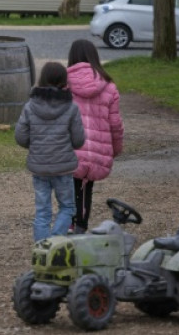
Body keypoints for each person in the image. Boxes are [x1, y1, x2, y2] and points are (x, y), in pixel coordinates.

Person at [15, 61, 85, 242]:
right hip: (63, 168)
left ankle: (41, 247)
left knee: (43, 211)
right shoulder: (71, 107)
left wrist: (36, 146)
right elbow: (78, 140)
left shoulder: (30, 105)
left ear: (42, 79)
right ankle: (55, 241)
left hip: (39, 168)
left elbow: (21, 137)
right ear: (64, 81)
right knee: (68, 207)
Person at [67, 39, 124, 233]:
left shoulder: (64, 84)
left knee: (68, 186)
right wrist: (115, 149)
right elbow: (115, 123)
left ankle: (69, 224)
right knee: (85, 187)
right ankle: (81, 227)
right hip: (96, 150)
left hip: (70, 149)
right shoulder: (108, 86)